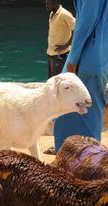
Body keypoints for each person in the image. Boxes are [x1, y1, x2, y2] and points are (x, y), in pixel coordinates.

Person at [50, 0, 108, 154]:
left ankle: (70, 151)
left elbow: (84, 24)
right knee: (92, 104)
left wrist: (73, 59)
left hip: (87, 55)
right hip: (100, 54)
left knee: (65, 105)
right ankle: (87, 151)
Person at [46, 0, 75, 78]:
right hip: (51, 53)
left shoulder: (65, 14)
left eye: (48, 3)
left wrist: (66, 45)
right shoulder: (52, 14)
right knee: (51, 80)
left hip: (61, 55)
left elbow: (76, 30)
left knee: (60, 80)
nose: (46, 5)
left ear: (55, 2)